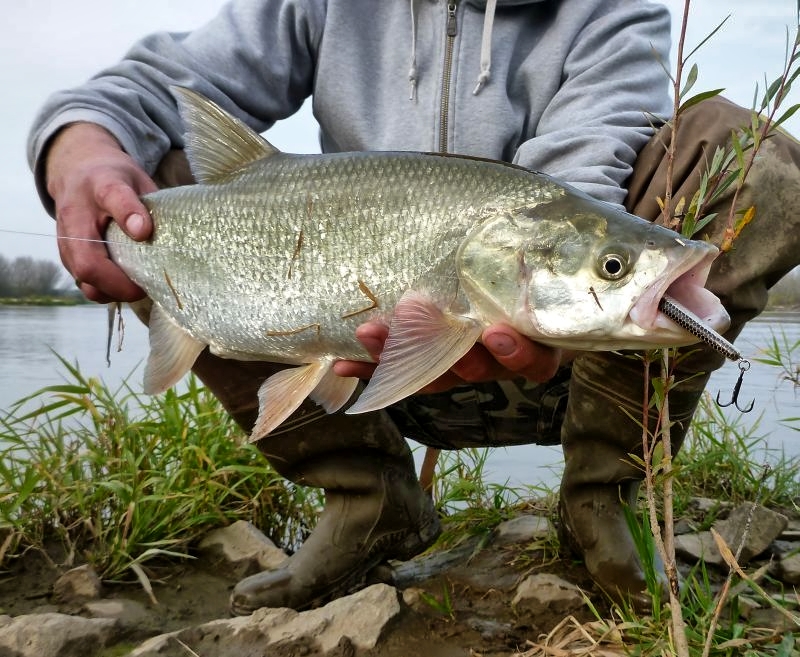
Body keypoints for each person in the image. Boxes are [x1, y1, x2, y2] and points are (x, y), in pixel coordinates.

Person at [27, 0, 800, 615]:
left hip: (561, 362)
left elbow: (575, 185)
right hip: (357, 367)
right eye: (614, 269)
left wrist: (603, 274)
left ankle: (603, 493)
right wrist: (79, 147)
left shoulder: (610, 8)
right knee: (151, 179)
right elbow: (152, 86)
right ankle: (368, 501)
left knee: (750, 156)